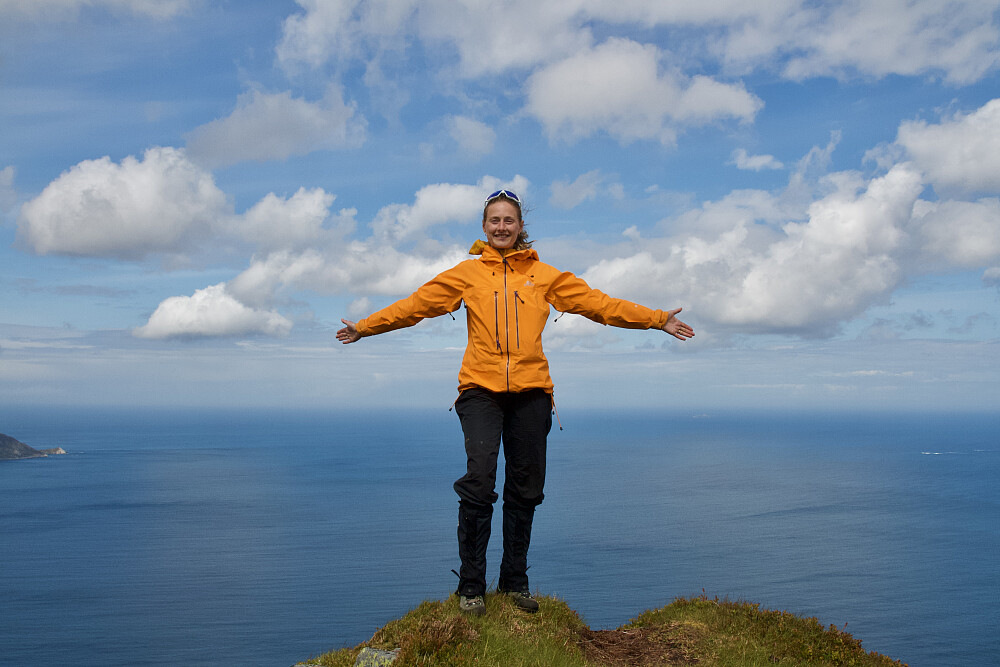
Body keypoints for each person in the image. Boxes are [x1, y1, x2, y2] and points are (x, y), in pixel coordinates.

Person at [336, 189, 694, 616]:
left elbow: (600, 305)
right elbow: (414, 306)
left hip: (531, 392)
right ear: (484, 227)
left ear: (521, 226)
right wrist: (365, 327)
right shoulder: (467, 274)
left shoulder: (544, 276)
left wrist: (657, 319)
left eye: (509, 220)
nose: (502, 227)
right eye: (495, 220)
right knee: (479, 480)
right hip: (480, 390)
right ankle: (471, 587)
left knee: (526, 488)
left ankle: (514, 583)